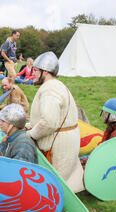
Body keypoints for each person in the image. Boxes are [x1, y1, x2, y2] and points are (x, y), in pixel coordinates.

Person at [26, 51, 84, 193]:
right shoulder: (56, 85)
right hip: (64, 138)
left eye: (35, 70)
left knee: (53, 184)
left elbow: (49, 122)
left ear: (45, 72)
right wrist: (28, 126)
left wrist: (30, 135)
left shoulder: (50, 89)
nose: (33, 73)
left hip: (58, 144)